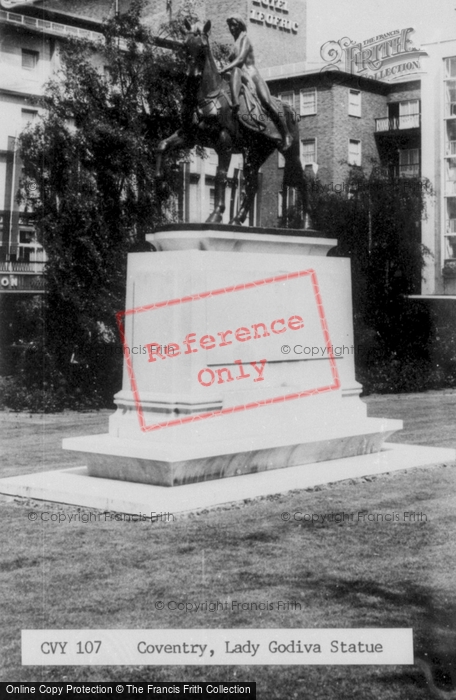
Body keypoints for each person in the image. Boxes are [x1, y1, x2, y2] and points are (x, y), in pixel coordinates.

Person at [221, 14, 292, 151]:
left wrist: (225, 68)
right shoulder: (233, 44)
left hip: (252, 76)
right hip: (239, 76)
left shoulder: (245, 39)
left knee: (266, 101)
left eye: (234, 24)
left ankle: (286, 133)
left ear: (240, 25)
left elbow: (240, 59)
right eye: (230, 25)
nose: (231, 28)